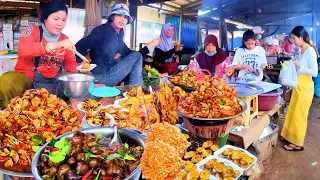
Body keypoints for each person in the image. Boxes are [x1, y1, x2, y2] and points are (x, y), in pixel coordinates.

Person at [75, 3, 161, 86]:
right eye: (119, 15)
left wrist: (150, 45)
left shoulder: (118, 34)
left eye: (125, 17)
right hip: (100, 77)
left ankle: (131, 91)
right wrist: (80, 65)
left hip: (109, 72)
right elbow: (79, 45)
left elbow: (129, 54)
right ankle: (134, 92)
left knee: (136, 57)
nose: (122, 19)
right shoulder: (102, 31)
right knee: (137, 56)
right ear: (112, 17)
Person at [15, 0, 79, 94]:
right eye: (56, 19)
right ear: (45, 18)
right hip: (28, 83)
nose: (60, 23)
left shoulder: (64, 39)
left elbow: (70, 64)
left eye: (63, 20)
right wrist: (57, 44)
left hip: (53, 84)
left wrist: (82, 68)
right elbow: (23, 49)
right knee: (8, 81)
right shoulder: (32, 30)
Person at [281, 26, 318, 151]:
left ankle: (297, 143)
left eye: (294, 38)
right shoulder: (301, 49)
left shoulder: (310, 51)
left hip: (305, 87)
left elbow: (315, 73)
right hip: (298, 85)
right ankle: (289, 136)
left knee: (299, 115)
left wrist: (299, 66)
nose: (292, 41)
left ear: (301, 37)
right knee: (292, 112)